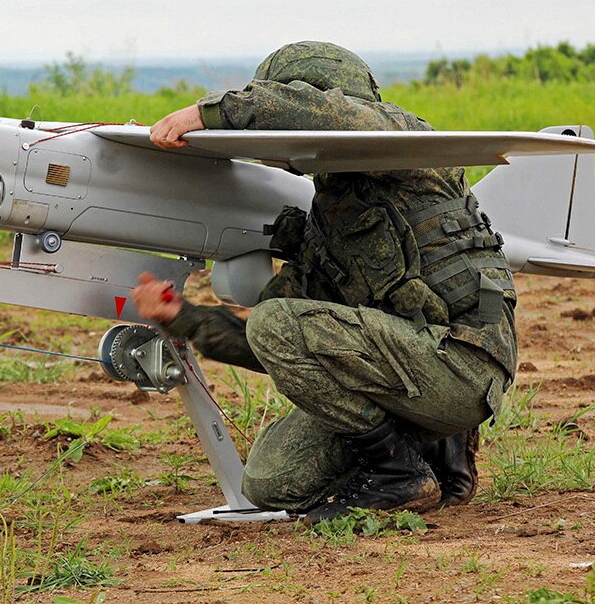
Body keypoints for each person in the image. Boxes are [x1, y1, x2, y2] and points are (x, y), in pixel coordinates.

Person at [131, 41, 516, 525]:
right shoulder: (328, 224)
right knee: (272, 481)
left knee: (275, 323)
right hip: (409, 371)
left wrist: (211, 112)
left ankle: (399, 473)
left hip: (463, 367)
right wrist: (182, 317)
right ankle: (426, 447)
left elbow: (334, 114)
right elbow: (271, 342)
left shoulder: (408, 144)